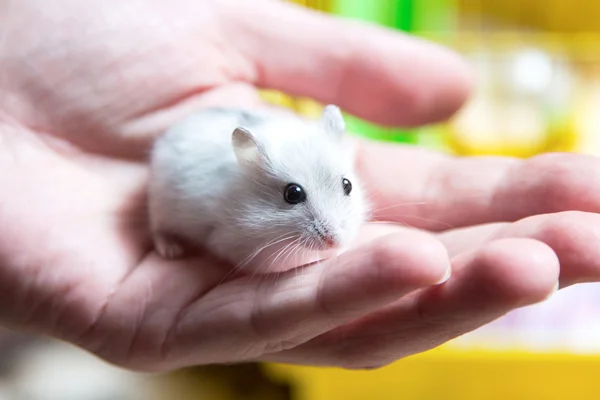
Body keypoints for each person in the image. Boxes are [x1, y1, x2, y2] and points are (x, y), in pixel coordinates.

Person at [1, 0, 599, 373]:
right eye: (293, 199)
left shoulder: (320, 150)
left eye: (343, 189)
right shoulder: (236, 194)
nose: (333, 225)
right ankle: (163, 227)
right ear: (259, 175)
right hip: (190, 162)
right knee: (178, 186)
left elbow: (329, 197)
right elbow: (239, 240)